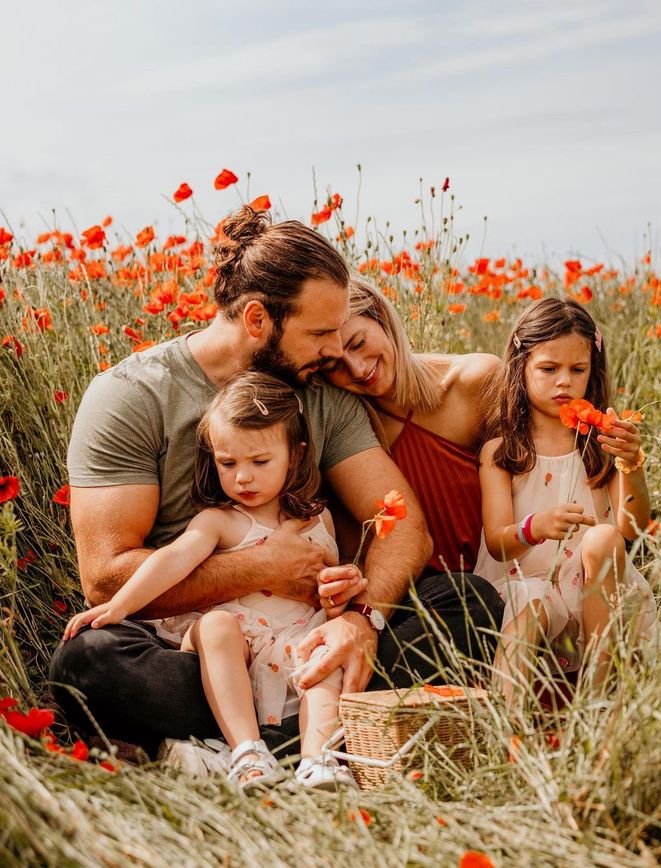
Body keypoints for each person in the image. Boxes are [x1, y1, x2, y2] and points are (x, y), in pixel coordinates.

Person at [49, 206, 501, 769]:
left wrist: (362, 622)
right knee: (86, 661)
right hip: (200, 650)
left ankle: (228, 752)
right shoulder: (132, 397)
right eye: (319, 333)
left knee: (468, 602)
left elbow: (402, 522)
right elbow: (105, 575)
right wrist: (264, 566)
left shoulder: (322, 395)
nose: (336, 350)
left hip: (309, 638)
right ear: (259, 320)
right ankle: (312, 741)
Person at [63, 373, 357, 789]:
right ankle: (248, 753)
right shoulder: (220, 521)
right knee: (216, 626)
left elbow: (329, 590)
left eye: (259, 462)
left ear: (295, 455)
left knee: (325, 656)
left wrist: (339, 593)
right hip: (237, 644)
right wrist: (120, 605)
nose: (242, 478)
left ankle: (318, 760)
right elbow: (172, 561)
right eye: (228, 463)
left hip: (294, 642)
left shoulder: (317, 519)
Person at [474, 298, 657, 715]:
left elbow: (631, 527)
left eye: (578, 370)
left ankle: (598, 699)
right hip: (525, 586)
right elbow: (498, 543)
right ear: (521, 366)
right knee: (531, 602)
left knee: (605, 536)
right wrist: (534, 526)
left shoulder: (601, 443)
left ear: (593, 373)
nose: (564, 383)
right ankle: (504, 722)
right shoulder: (503, 451)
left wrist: (631, 462)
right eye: (548, 369)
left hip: (595, 585)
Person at [322, 277, 505, 683]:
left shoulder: (475, 381)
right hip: (414, 605)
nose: (356, 368)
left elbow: (534, 481)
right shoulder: (351, 433)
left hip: (499, 582)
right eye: (334, 363)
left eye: (357, 343)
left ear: (382, 318)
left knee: (476, 598)